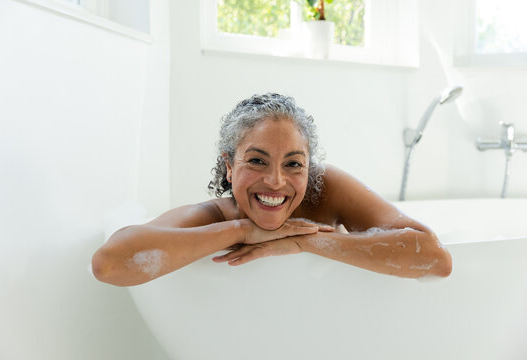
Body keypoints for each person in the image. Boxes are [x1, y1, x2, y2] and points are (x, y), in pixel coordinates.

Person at [92, 93, 452, 286]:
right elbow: (109, 264)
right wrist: (241, 230)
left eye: (294, 164)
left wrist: (304, 241)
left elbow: (436, 259)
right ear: (230, 166)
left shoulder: (326, 191)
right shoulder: (214, 217)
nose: (276, 181)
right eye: (257, 161)